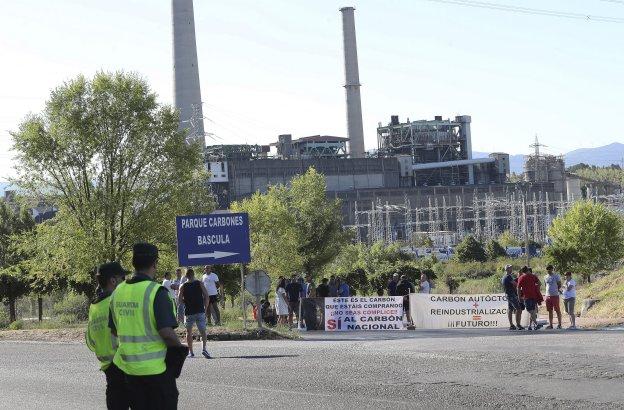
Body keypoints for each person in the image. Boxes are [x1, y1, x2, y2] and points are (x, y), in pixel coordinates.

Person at [108, 243, 183, 410]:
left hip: (129, 373)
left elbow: (114, 330)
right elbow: (167, 333)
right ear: (155, 263)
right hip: (156, 373)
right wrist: (179, 349)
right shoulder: (156, 292)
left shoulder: (118, 292)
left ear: (134, 263)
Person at [86, 261, 130, 410]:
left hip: (109, 372)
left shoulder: (94, 307)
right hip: (125, 368)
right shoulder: (117, 301)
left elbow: (91, 342)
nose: (125, 282)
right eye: (122, 279)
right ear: (113, 281)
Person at [178, 268, 211, 359]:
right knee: (203, 331)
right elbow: (207, 296)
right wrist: (205, 307)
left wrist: (186, 302)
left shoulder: (183, 286)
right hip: (200, 310)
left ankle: (191, 352)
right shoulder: (199, 283)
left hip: (189, 311)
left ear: (186, 276)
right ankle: (204, 348)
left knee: (189, 332)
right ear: (194, 275)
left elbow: (179, 300)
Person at [517, 266, 542, 331]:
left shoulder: (521, 277)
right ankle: (535, 324)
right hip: (533, 296)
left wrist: (519, 297)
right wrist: (536, 289)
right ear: (528, 270)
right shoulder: (533, 276)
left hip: (526, 297)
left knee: (530, 310)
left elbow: (518, 288)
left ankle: (536, 324)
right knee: (533, 310)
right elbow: (539, 283)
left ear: (522, 271)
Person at [501, 264, 524, 330]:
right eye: (510, 268)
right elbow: (515, 284)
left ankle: (511, 325)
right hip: (511, 295)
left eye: (511, 268)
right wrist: (521, 287)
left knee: (510, 309)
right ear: (507, 269)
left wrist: (518, 277)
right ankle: (518, 325)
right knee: (518, 309)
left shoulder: (505, 276)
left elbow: (514, 282)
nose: (511, 269)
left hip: (508, 294)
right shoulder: (508, 277)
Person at [543, 265, 562, 329]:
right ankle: (550, 325)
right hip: (548, 296)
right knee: (549, 311)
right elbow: (546, 285)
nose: (548, 270)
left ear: (552, 269)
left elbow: (559, 284)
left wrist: (556, 290)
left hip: (555, 295)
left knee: (557, 310)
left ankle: (559, 324)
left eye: (549, 269)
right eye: (547, 269)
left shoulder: (556, 276)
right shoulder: (545, 277)